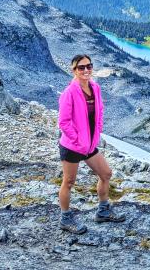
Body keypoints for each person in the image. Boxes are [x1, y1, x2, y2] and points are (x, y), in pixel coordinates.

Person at [58, 54, 125, 233]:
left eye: (89, 66)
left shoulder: (95, 88)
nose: (86, 70)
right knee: (69, 181)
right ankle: (65, 219)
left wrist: (96, 134)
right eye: (81, 67)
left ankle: (103, 211)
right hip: (72, 146)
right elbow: (63, 122)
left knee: (106, 173)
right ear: (74, 71)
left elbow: (100, 111)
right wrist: (77, 140)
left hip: (89, 144)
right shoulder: (69, 92)